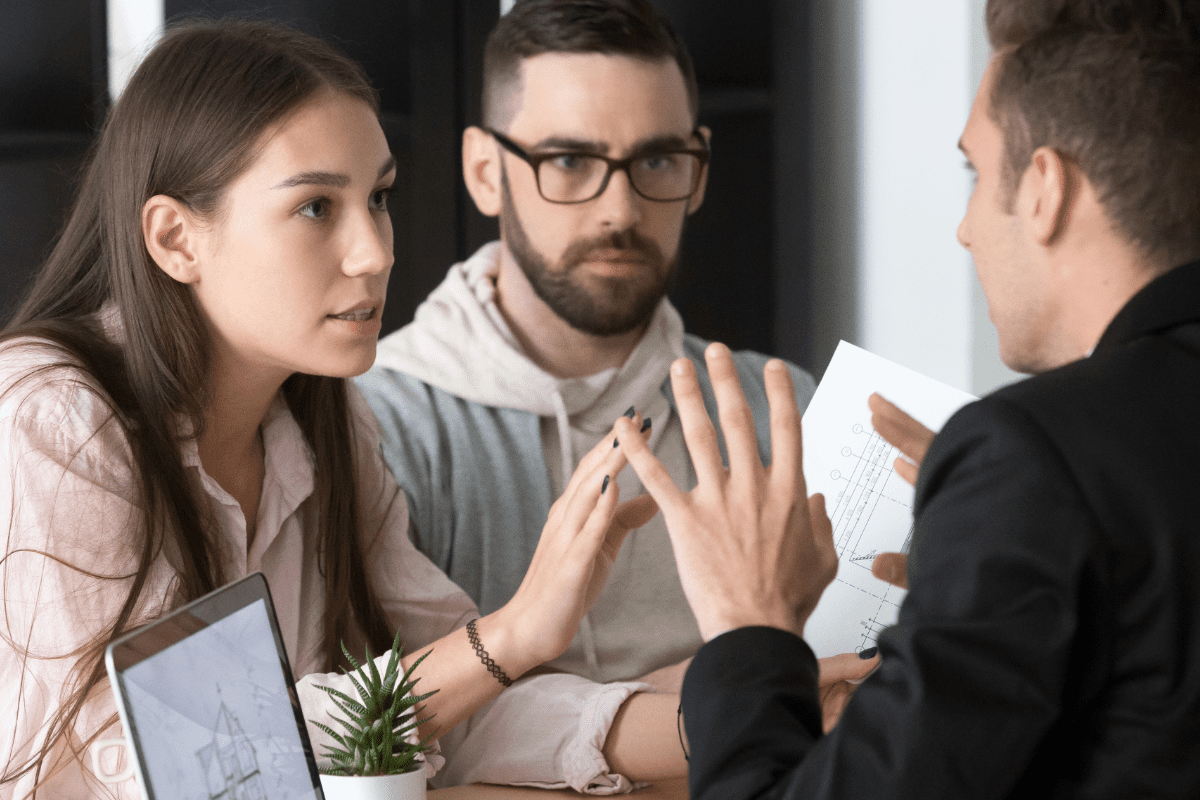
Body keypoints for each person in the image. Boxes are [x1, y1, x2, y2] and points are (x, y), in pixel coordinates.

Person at [0, 18, 670, 799]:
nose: (377, 252)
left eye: (378, 198)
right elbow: (196, 767)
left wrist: (742, 720)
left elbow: (458, 707)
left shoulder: (327, 423)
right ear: (176, 237)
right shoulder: (50, 421)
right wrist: (510, 635)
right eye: (317, 207)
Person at [615, 0, 1200, 797]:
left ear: (1044, 189)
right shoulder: (1050, 474)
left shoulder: (1032, 458)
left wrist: (750, 626)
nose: (964, 229)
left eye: (975, 172)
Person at [356, 0, 874, 775]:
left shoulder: (787, 413)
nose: (620, 210)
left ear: (698, 169)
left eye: (657, 161)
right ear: (484, 171)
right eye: (568, 161)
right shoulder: (374, 427)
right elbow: (361, 754)